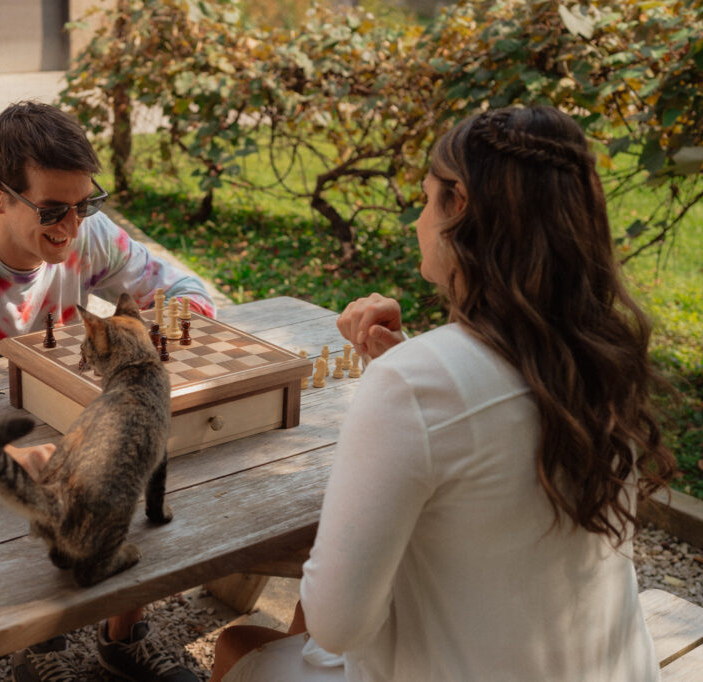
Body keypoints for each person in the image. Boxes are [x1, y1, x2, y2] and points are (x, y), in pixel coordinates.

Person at [210, 105, 675, 682]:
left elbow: (338, 626)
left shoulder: (415, 385)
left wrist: (403, 374)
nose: (417, 221)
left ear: (461, 208)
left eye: (427, 200)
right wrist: (406, 357)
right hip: (616, 670)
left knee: (236, 647)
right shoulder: (603, 354)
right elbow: (497, 412)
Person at [0, 101, 211, 682]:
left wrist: (165, 321)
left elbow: (184, 287)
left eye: (85, 204)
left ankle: (122, 634)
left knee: (146, 471)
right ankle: (39, 649)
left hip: (71, 421)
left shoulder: (89, 234)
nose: (74, 226)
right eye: (54, 209)